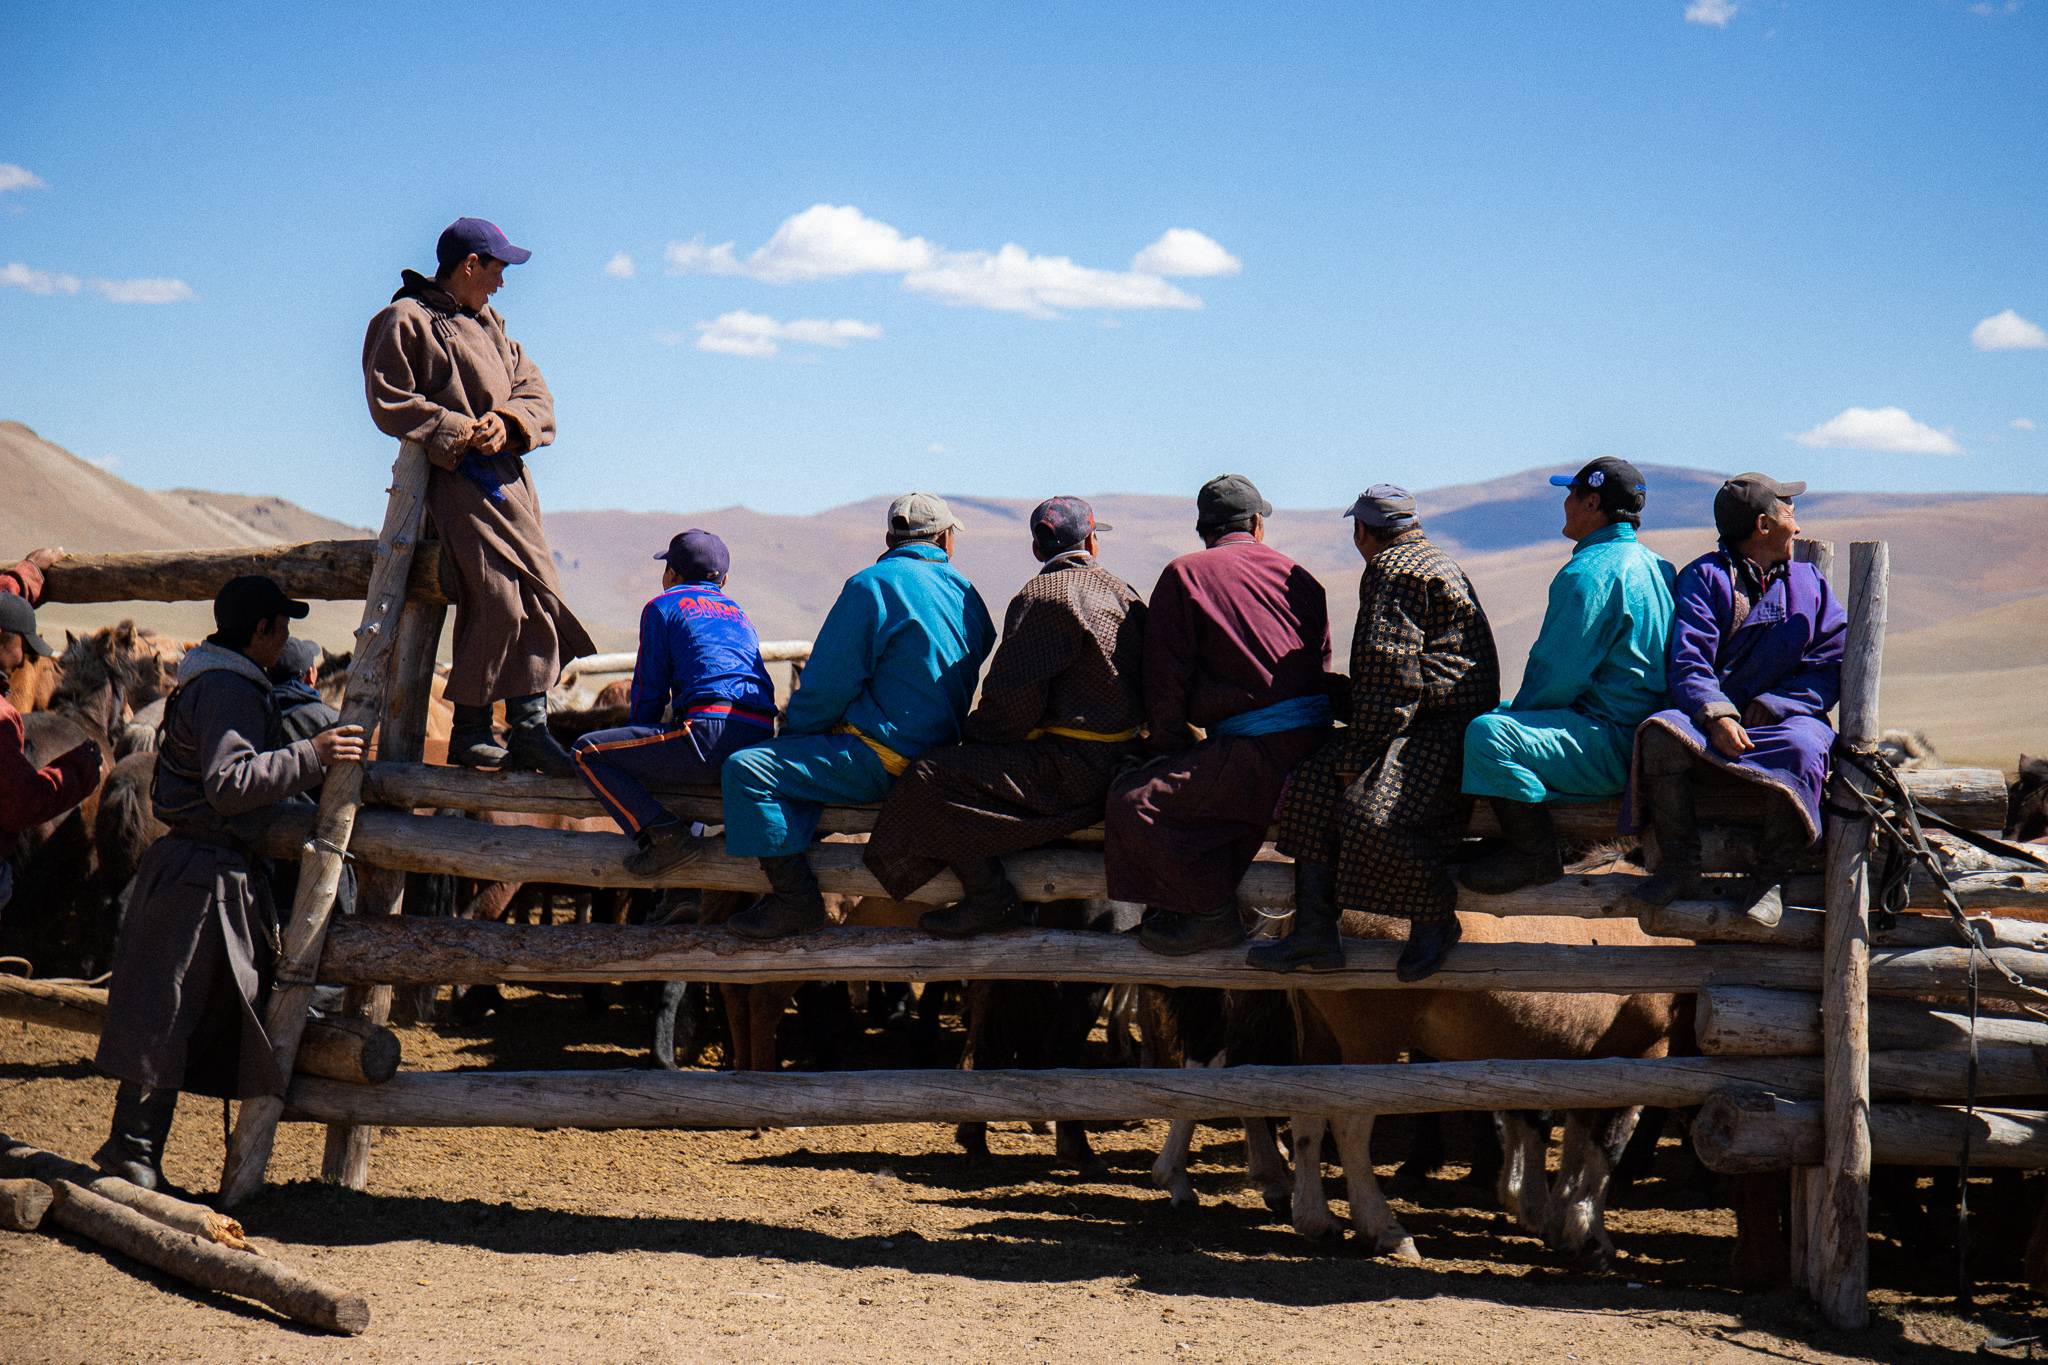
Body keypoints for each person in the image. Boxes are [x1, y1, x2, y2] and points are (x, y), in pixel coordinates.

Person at [93, 576, 365, 1192]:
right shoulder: (230, 688)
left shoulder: (213, 679)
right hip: (202, 876)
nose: (287, 639)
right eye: (282, 626)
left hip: (197, 869)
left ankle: (131, 1147)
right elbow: (230, 783)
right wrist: (315, 754)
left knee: (173, 1005)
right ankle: (131, 1150)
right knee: (171, 1006)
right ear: (262, 630)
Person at [362, 216, 594, 776]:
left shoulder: (493, 327)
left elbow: (536, 395)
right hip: (457, 482)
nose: (502, 282)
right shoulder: (405, 320)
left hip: (510, 485)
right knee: (496, 593)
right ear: (469, 265)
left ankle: (530, 728)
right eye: (497, 269)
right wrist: (461, 430)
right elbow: (388, 398)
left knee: (535, 592)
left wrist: (508, 422)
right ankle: (469, 729)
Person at [863, 497, 1146, 937]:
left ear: (1038, 549)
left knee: (931, 777)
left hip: (1070, 770)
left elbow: (1010, 704)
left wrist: (973, 743)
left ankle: (990, 900)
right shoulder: (1125, 592)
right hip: (1125, 764)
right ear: (1092, 540)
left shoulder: (1042, 595)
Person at [721, 494, 995, 940]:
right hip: (941, 765)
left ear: (889, 539)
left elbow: (828, 684)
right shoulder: (970, 597)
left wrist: (793, 736)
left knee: (746, 770)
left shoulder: (871, 586)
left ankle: (795, 901)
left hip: (879, 761)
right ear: (945, 538)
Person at [1257, 487, 1500, 981]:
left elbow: (1390, 673)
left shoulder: (1393, 570)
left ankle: (1434, 918)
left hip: (1437, 727)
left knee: (1370, 815)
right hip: (1426, 716)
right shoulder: (1434, 560)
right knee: (1310, 783)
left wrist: (1361, 747)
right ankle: (1315, 933)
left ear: (1362, 531)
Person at [1105, 474, 1333, 957]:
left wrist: (1164, 748)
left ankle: (1210, 917)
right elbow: (1323, 664)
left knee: (1136, 802)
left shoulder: (1185, 573)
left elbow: (1165, 679)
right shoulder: (1301, 575)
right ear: (1256, 524)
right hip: (1315, 745)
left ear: (1202, 528)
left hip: (1256, 752)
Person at [1628, 474, 1844, 926]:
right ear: (1763, 525)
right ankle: (1680, 865)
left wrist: (1781, 703)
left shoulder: (1811, 584)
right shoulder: (1704, 578)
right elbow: (1688, 662)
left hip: (1785, 724)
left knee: (1807, 746)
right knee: (1660, 735)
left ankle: (1771, 878)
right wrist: (1716, 716)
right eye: (1789, 514)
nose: (1798, 527)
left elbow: (1832, 661)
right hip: (1715, 728)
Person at [1458, 459, 1676, 895]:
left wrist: (1514, 720)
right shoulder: (1659, 566)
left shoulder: (1589, 572)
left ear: (1591, 502)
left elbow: (1556, 677)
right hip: (1641, 738)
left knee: (1487, 735)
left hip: (1610, 745)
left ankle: (1533, 854)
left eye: (1571, 493)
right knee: (1500, 719)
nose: (1565, 502)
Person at [572, 530, 776, 876]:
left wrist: (636, 742)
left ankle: (667, 840)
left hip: (707, 735)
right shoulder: (738, 614)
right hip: (759, 737)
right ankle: (680, 896)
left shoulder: (662, 606)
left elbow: (649, 691)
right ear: (724, 579)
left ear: (671, 575)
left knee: (585, 753)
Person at [0, 547, 102, 919]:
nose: (21, 658)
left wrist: (24, 575)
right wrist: (81, 769)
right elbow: (20, 804)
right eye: (21, 646)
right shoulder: (2, 719)